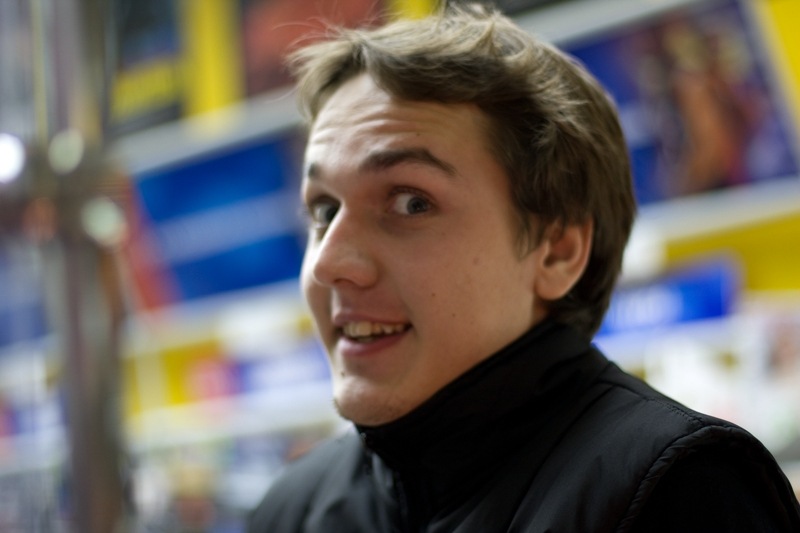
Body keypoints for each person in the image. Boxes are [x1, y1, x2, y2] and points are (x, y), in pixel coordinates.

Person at [249, 4, 800, 531]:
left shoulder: (677, 487)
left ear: (557, 252)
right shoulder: (290, 509)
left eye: (411, 202)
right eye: (324, 210)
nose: (328, 264)